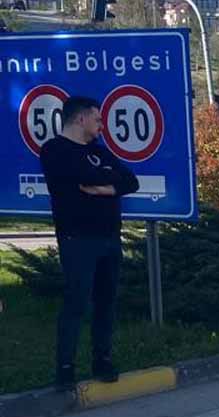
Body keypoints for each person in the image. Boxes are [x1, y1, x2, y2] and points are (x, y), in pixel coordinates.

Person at [39, 95, 139, 391]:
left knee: (106, 301)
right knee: (76, 302)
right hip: (77, 238)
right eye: (97, 119)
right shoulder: (55, 150)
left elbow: (130, 181)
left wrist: (104, 187)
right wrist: (109, 181)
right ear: (80, 119)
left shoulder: (100, 151)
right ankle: (66, 367)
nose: (101, 125)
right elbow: (80, 176)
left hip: (109, 237)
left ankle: (102, 359)